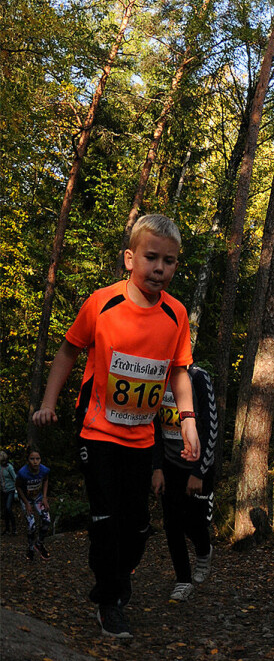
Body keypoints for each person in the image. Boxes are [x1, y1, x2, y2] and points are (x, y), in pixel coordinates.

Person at [31, 214, 199, 638]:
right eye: (151, 258)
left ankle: (115, 581)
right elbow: (68, 352)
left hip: (143, 438)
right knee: (105, 519)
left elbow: (180, 373)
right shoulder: (102, 303)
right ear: (130, 258)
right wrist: (49, 403)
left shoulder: (177, 315)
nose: (160, 268)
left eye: (170, 261)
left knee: (139, 526)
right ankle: (109, 602)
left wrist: (188, 421)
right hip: (97, 432)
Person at [152, 363, 219, 601]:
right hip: (170, 466)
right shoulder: (157, 376)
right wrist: (157, 467)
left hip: (197, 464)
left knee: (194, 522)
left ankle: (204, 551)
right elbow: (154, 426)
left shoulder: (198, 377)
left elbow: (211, 426)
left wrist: (199, 471)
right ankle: (183, 580)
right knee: (172, 524)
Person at [16, 447, 51, 560]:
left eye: (38, 459)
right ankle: (30, 549)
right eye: (32, 459)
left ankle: (39, 544)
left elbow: (46, 480)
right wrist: (26, 503)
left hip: (38, 498)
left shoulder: (44, 470)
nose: (35, 462)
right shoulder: (22, 473)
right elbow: (18, 487)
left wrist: (45, 497)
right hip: (26, 499)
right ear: (28, 460)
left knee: (46, 520)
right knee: (32, 526)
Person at [1, 450, 17, 534]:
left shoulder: (9, 467)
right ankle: (7, 529)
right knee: (5, 511)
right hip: (4, 491)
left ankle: (14, 528)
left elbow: (16, 479)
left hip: (11, 490)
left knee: (8, 507)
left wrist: (16, 492)